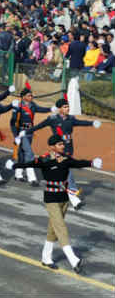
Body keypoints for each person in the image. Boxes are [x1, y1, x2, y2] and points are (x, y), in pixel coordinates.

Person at [6, 135, 102, 273]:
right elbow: (30, 163)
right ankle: (73, 260)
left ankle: (46, 257)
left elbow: (78, 163)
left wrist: (92, 163)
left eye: (62, 144)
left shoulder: (65, 159)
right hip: (51, 198)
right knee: (61, 228)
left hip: (63, 198)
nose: (62, 146)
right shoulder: (45, 159)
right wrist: (14, 165)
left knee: (53, 229)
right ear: (51, 147)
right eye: (59, 144)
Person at [26, 98, 101, 209]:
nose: (68, 109)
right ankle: (74, 199)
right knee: (68, 172)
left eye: (68, 107)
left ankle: (62, 194)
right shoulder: (52, 119)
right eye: (65, 107)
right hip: (59, 151)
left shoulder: (71, 119)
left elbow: (81, 123)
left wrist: (92, 123)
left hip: (69, 149)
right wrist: (26, 132)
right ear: (59, 109)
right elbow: (39, 126)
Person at [9, 84, 51, 186]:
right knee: (29, 153)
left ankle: (18, 174)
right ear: (23, 97)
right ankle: (32, 178)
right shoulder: (18, 106)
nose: (31, 97)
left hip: (30, 132)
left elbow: (41, 109)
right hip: (21, 133)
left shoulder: (33, 105)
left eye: (31, 96)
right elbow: (12, 122)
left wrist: (51, 109)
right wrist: (16, 136)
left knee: (22, 153)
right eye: (29, 96)